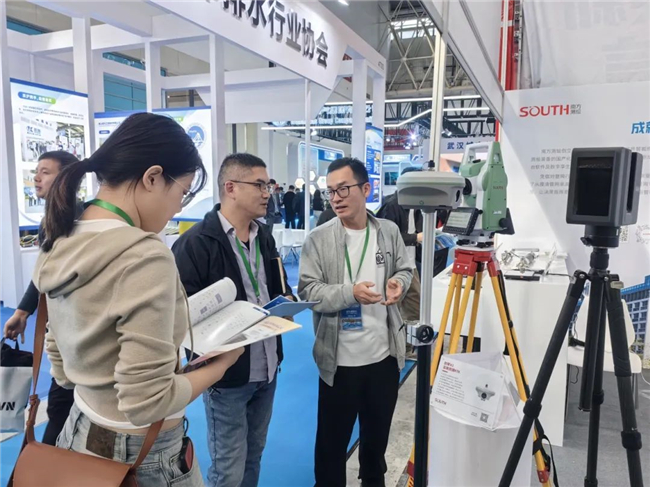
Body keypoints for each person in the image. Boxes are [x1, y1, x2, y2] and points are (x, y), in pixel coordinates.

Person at [31, 113, 242, 486]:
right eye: (182, 192)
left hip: (79, 431)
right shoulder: (143, 254)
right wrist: (222, 366)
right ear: (152, 177)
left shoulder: (61, 236)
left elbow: (60, 366)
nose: (179, 207)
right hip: (144, 454)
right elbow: (148, 402)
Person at [172, 153, 294, 487]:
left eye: (268, 185)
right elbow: (183, 319)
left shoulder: (263, 236)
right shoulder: (195, 244)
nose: (267, 193)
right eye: (260, 185)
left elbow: (275, 285)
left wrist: (286, 300)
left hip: (267, 366)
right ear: (231, 188)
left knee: (254, 457)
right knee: (228, 470)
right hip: (227, 376)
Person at [298, 157, 413, 487]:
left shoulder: (388, 231)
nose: (336, 198)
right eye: (330, 191)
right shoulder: (318, 239)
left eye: (343, 189)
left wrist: (399, 283)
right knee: (330, 450)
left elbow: (405, 269)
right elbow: (309, 291)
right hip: (338, 364)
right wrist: (350, 293)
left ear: (366, 189)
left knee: (375, 448)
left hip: (383, 360)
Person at [4, 150, 81, 445]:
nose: (36, 178)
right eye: (36, 171)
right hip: (62, 330)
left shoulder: (80, 218)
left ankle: (43, 463)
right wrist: (23, 312)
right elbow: (43, 272)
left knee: (63, 406)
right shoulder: (50, 219)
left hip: (80, 329)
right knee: (64, 404)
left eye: (45, 172)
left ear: (66, 178)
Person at [376, 167, 424, 323]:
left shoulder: (417, 206)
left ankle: (408, 338)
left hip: (411, 264)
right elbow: (385, 237)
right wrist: (415, 238)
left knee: (416, 308)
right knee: (391, 308)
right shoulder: (391, 205)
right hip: (393, 266)